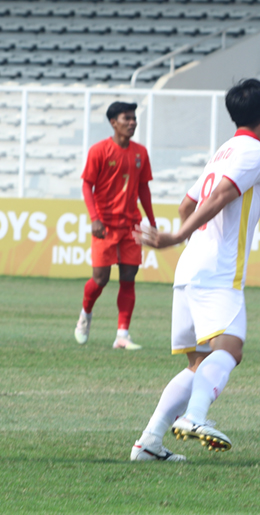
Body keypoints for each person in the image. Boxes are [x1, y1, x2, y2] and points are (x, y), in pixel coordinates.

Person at [129, 78, 260, 461]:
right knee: (230, 349)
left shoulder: (224, 151)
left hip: (190, 269)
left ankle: (149, 442)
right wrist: (177, 235)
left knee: (199, 364)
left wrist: (183, 234)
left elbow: (187, 203)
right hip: (218, 271)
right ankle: (195, 417)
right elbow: (219, 196)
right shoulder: (256, 153)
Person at [74, 101, 155, 351]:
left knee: (129, 277)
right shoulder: (99, 151)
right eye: (126, 118)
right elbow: (87, 185)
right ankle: (85, 314)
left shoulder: (140, 152)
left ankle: (122, 334)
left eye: (134, 118)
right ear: (113, 123)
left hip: (131, 224)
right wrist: (94, 218)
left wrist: (151, 222)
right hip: (105, 225)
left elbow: (143, 189)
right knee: (100, 279)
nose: (132, 123)